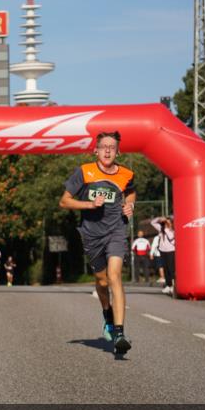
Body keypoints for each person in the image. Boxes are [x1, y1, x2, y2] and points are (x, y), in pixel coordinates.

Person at [60, 131, 136, 355]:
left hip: (116, 230)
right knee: (102, 282)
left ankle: (120, 333)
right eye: (103, 146)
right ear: (96, 150)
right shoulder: (84, 172)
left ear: (118, 151)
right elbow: (64, 201)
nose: (108, 150)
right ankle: (107, 313)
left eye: (112, 147)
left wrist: (130, 205)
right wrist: (90, 205)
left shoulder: (127, 174)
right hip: (91, 234)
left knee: (114, 276)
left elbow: (130, 193)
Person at [151, 216, 176, 296]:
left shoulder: (172, 231)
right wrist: (160, 218)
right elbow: (152, 222)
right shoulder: (161, 229)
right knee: (165, 268)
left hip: (171, 251)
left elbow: (171, 238)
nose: (166, 223)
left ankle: (173, 285)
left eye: (168, 222)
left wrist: (166, 228)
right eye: (165, 222)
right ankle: (168, 285)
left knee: (171, 268)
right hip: (163, 251)